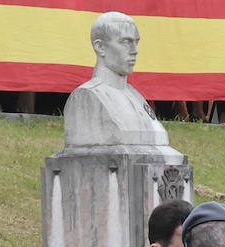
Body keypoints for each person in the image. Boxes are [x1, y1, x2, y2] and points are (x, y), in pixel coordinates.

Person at [63, 11, 169, 147]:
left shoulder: (136, 96)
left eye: (136, 42)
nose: (135, 50)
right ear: (100, 47)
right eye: (126, 42)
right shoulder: (86, 96)